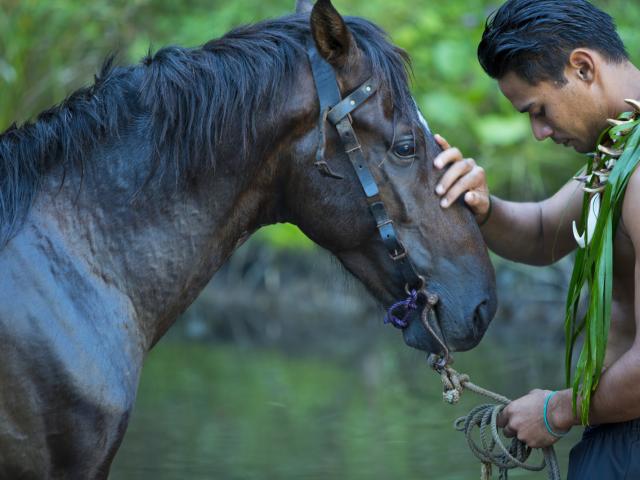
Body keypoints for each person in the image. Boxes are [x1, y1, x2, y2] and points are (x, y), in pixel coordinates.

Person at [433, 0, 640, 477]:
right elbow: (546, 233)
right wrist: (483, 206)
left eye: (539, 110)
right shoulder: (620, 152)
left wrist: (557, 410)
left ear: (583, 67)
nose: (539, 132)